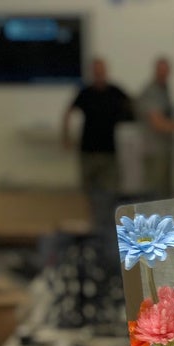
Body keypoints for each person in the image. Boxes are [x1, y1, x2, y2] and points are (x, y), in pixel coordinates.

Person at [62, 57, 134, 228]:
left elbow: (133, 106)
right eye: (96, 71)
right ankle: (93, 223)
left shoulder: (115, 92)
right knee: (89, 192)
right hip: (88, 151)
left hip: (109, 152)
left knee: (110, 192)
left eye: (101, 71)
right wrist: (66, 137)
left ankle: (107, 225)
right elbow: (68, 112)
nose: (99, 74)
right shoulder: (85, 93)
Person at [136, 57, 174, 198]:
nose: (164, 74)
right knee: (154, 195)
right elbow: (157, 124)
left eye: (166, 71)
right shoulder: (151, 92)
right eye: (161, 71)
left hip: (165, 150)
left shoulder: (164, 90)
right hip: (154, 152)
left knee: (165, 193)